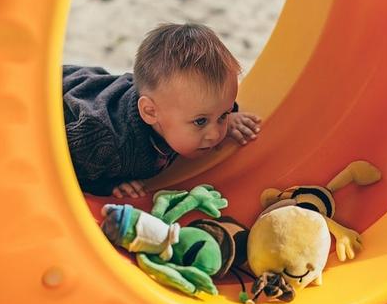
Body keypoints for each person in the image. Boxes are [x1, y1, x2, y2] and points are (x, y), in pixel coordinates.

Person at [63, 23, 262, 199]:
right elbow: (62, 163)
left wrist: (232, 114)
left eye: (222, 116)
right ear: (150, 112)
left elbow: (216, 102)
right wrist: (108, 185)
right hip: (55, 96)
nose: (216, 133)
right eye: (201, 121)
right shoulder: (104, 140)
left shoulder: (178, 105)